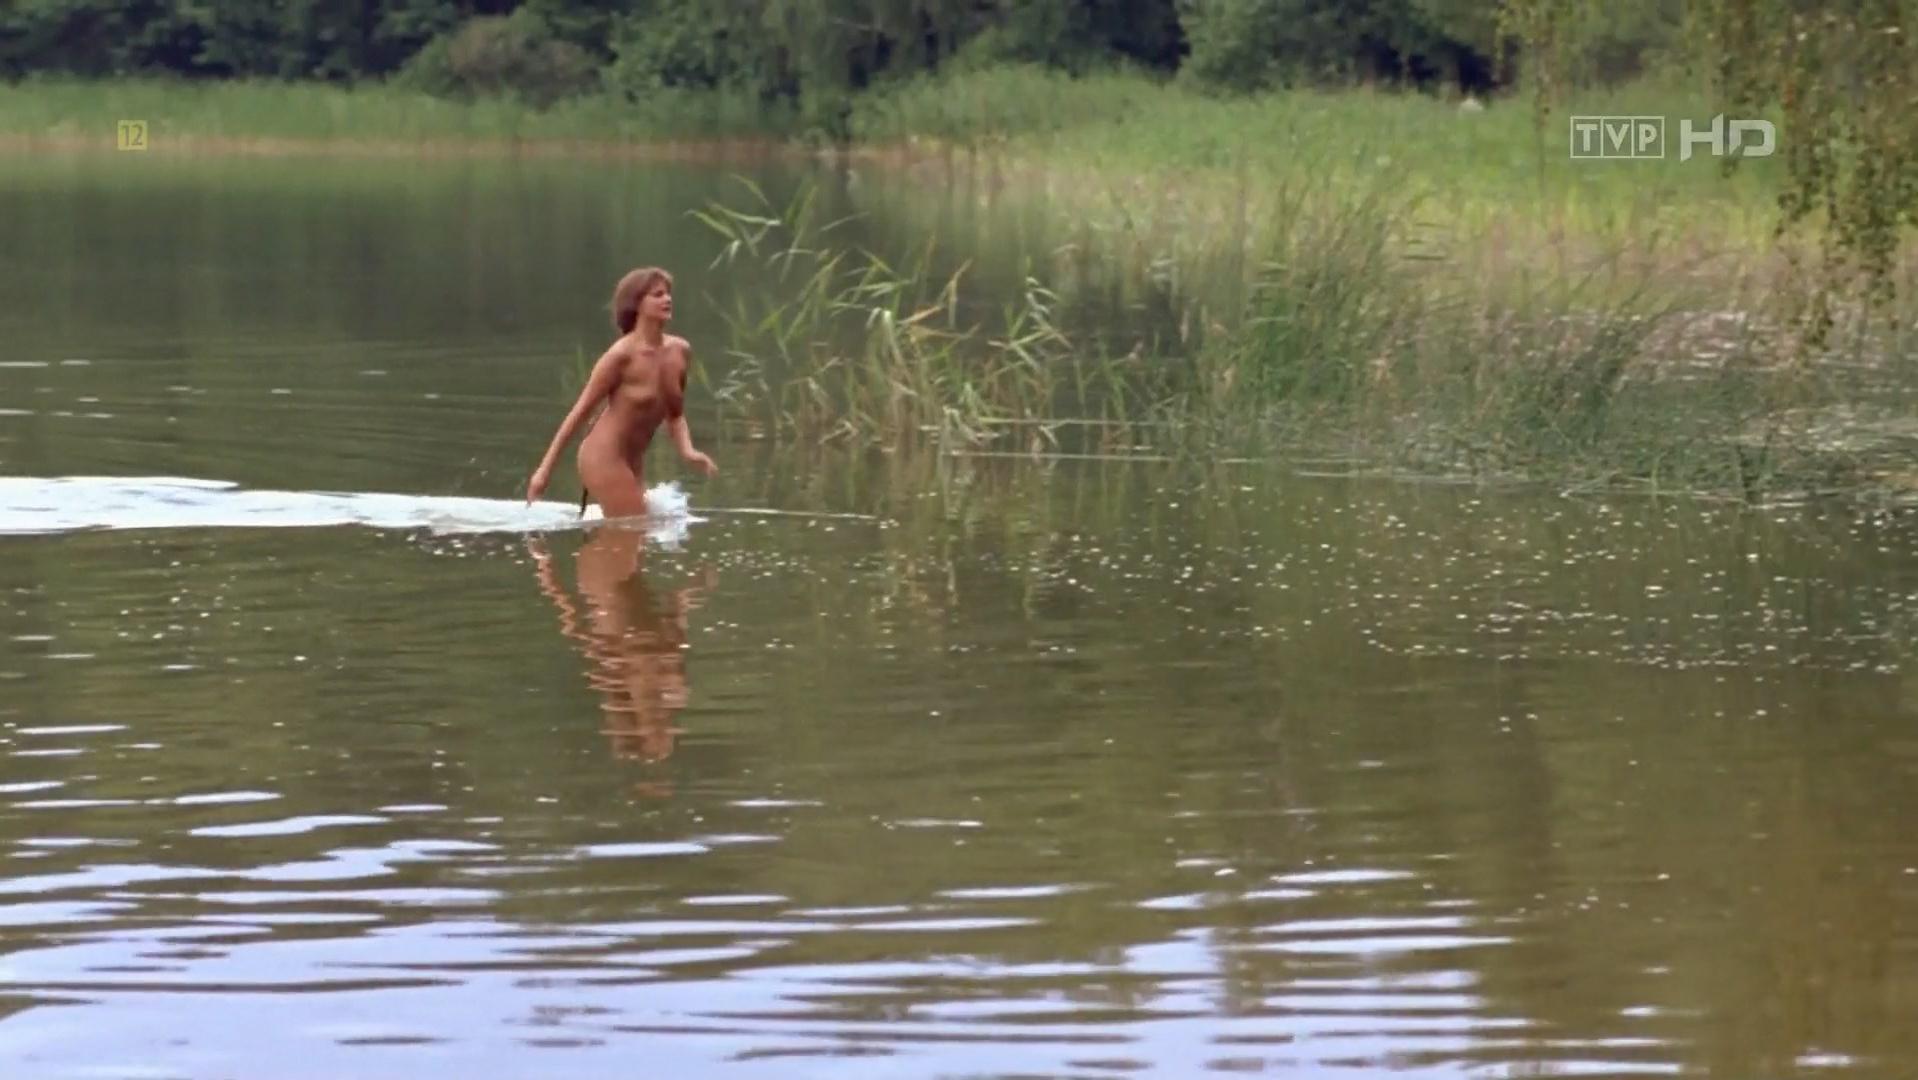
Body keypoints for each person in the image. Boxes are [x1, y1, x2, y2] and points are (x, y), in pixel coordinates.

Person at [526, 267, 716, 517]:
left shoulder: (680, 351)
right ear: (637, 304)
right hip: (602, 456)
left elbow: (675, 414)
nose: (667, 299)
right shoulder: (621, 355)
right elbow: (579, 413)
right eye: (657, 294)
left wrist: (688, 451)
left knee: (636, 533)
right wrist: (543, 473)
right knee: (635, 524)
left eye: (668, 293)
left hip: (633, 461)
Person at [528, 530, 716, 764]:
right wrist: (696, 588)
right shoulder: (673, 685)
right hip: (623, 569)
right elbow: (674, 614)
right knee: (627, 521)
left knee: (618, 522)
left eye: (656, 727)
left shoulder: (614, 669)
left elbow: (570, 619)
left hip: (605, 573)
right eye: (666, 727)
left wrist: (544, 565)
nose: (665, 724)